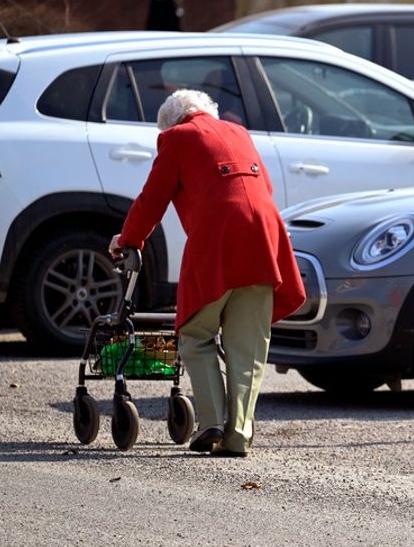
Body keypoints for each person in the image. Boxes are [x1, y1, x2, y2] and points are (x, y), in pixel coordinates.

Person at [109, 89, 305, 458]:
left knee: (196, 333)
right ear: (206, 112)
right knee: (248, 349)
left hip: (218, 240)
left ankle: (212, 421)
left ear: (170, 122)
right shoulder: (240, 133)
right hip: (264, 239)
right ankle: (238, 437)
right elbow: (265, 188)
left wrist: (127, 239)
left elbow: (152, 198)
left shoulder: (177, 138)